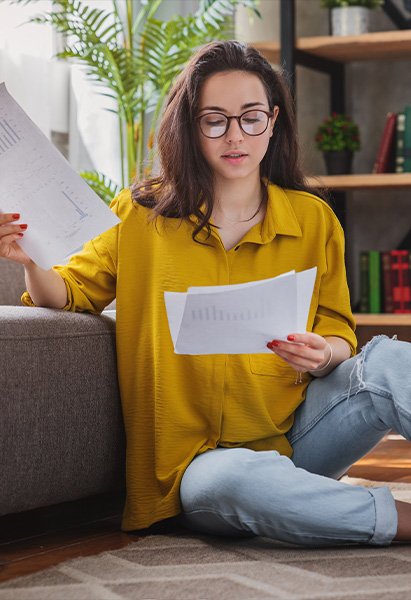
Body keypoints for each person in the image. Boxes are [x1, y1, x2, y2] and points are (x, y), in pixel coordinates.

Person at [1, 40, 411, 546]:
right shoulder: (139, 216)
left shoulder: (313, 218)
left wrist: (324, 353)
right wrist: (31, 257)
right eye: (214, 119)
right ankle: (396, 520)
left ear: (274, 120)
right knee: (236, 480)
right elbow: (65, 294)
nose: (234, 135)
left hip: (298, 438)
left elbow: (338, 330)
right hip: (196, 469)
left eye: (251, 117)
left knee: (390, 360)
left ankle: (311, 502)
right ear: (190, 127)